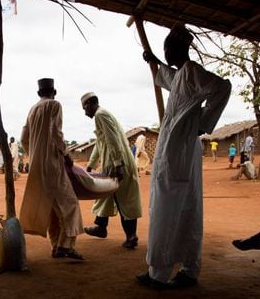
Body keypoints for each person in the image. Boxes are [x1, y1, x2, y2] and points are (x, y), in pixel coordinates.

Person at [137, 24, 231, 289]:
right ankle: (190, 270)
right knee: (187, 207)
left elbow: (223, 88)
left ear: (174, 49)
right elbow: (168, 77)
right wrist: (153, 60)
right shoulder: (182, 75)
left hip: (178, 151)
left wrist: (203, 121)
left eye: (166, 49)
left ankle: (159, 273)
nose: (165, 53)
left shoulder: (191, 73)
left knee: (166, 209)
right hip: (179, 151)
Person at [19, 78, 84, 260]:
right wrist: (66, 155)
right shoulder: (54, 105)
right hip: (52, 165)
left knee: (53, 208)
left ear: (39, 94)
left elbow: (24, 138)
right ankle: (66, 246)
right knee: (70, 204)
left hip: (36, 167)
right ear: (54, 92)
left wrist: (34, 154)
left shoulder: (33, 109)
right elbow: (56, 132)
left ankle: (56, 245)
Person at [80, 92, 142, 249]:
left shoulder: (101, 115)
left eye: (84, 108)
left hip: (118, 164)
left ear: (90, 104)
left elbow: (112, 140)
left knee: (124, 200)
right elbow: (100, 143)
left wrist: (118, 165)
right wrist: (90, 165)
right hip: (112, 163)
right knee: (105, 195)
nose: (84, 111)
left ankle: (131, 236)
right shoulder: (101, 115)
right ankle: (101, 227)